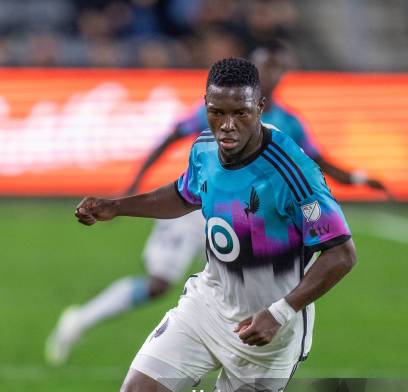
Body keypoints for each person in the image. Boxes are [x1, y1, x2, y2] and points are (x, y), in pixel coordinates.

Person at [75, 57, 356, 392]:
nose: (227, 126)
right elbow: (183, 195)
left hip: (271, 335)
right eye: (217, 112)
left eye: (240, 114)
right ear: (206, 107)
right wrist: (119, 205)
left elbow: (341, 253)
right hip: (207, 305)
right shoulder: (204, 151)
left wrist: (281, 311)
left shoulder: (292, 171)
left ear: (260, 109)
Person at [45, 41, 385, 366]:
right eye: (267, 65)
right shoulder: (221, 106)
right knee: (159, 282)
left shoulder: (289, 123)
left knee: (242, 284)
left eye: (280, 68)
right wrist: (131, 188)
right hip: (200, 204)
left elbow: (316, 161)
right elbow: (173, 135)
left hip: (252, 218)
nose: (274, 73)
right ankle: (81, 320)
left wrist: (356, 178)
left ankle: (229, 360)